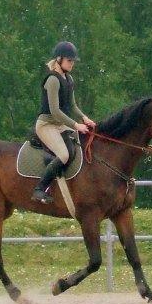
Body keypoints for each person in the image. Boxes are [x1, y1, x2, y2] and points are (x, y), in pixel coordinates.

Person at [31, 41, 96, 203]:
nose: (72, 64)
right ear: (59, 59)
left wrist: (84, 118)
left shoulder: (69, 78)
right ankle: (39, 189)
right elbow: (54, 111)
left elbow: (72, 105)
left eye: (73, 61)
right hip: (46, 124)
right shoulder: (52, 80)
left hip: (60, 124)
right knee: (64, 154)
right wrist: (75, 125)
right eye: (69, 61)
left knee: (78, 147)